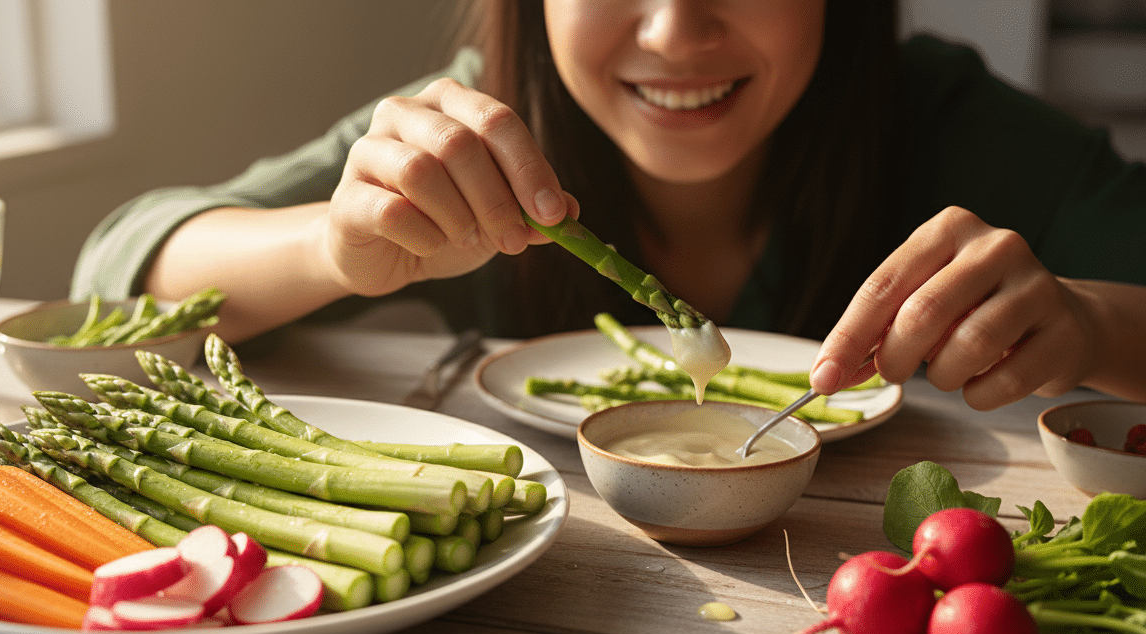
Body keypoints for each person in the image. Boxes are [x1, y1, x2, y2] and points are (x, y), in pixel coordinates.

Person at [72, 0, 1146, 410]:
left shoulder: (956, 126)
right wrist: (338, 247)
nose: (677, 32)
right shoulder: (475, 131)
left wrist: (1093, 324)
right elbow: (117, 274)